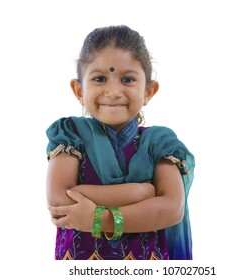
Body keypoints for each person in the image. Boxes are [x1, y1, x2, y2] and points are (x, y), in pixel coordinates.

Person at [46, 25, 195, 260]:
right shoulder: (70, 135)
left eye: (127, 79)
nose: (113, 91)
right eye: (99, 78)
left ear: (148, 91)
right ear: (78, 90)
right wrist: (139, 192)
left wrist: (98, 219)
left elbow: (172, 208)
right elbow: (60, 199)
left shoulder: (159, 143)